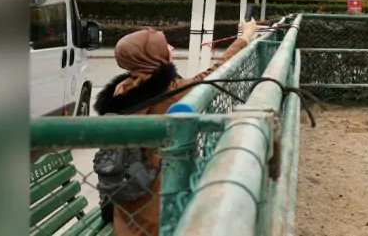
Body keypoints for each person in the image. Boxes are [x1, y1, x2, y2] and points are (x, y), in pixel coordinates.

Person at [94, 19, 259, 236]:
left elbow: (154, 79)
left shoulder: (121, 89)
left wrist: (163, 62)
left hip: (129, 201)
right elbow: (217, 73)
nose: (169, 48)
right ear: (152, 57)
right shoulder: (172, 91)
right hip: (160, 198)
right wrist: (245, 37)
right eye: (163, 46)